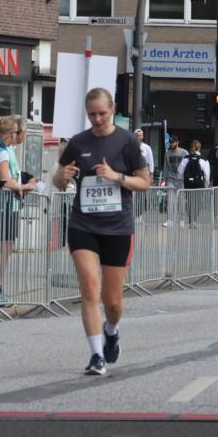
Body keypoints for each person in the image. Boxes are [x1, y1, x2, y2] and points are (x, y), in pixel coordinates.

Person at [53, 88, 151, 376]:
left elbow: (145, 182)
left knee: (113, 301)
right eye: (92, 114)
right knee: (88, 288)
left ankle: (112, 330)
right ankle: (96, 355)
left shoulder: (127, 141)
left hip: (118, 227)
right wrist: (63, 177)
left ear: (112, 110)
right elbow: (58, 178)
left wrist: (116, 177)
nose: (97, 119)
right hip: (83, 224)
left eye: (102, 113)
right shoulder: (78, 142)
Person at [0, 115, 40, 303]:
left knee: (1, 247)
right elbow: (5, 180)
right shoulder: (1, 151)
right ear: (14, 133)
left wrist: (23, 182)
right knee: (4, 247)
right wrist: (23, 187)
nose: (22, 136)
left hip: (1, 205)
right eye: (22, 132)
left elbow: (9, 175)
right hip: (3, 206)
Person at [177, 140, 210, 227]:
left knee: (189, 202)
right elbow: (207, 175)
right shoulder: (204, 160)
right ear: (199, 148)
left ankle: (191, 220)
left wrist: (183, 181)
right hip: (199, 184)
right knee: (197, 202)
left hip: (188, 184)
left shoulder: (186, 159)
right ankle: (194, 220)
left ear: (191, 148)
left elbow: (179, 172)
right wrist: (206, 185)